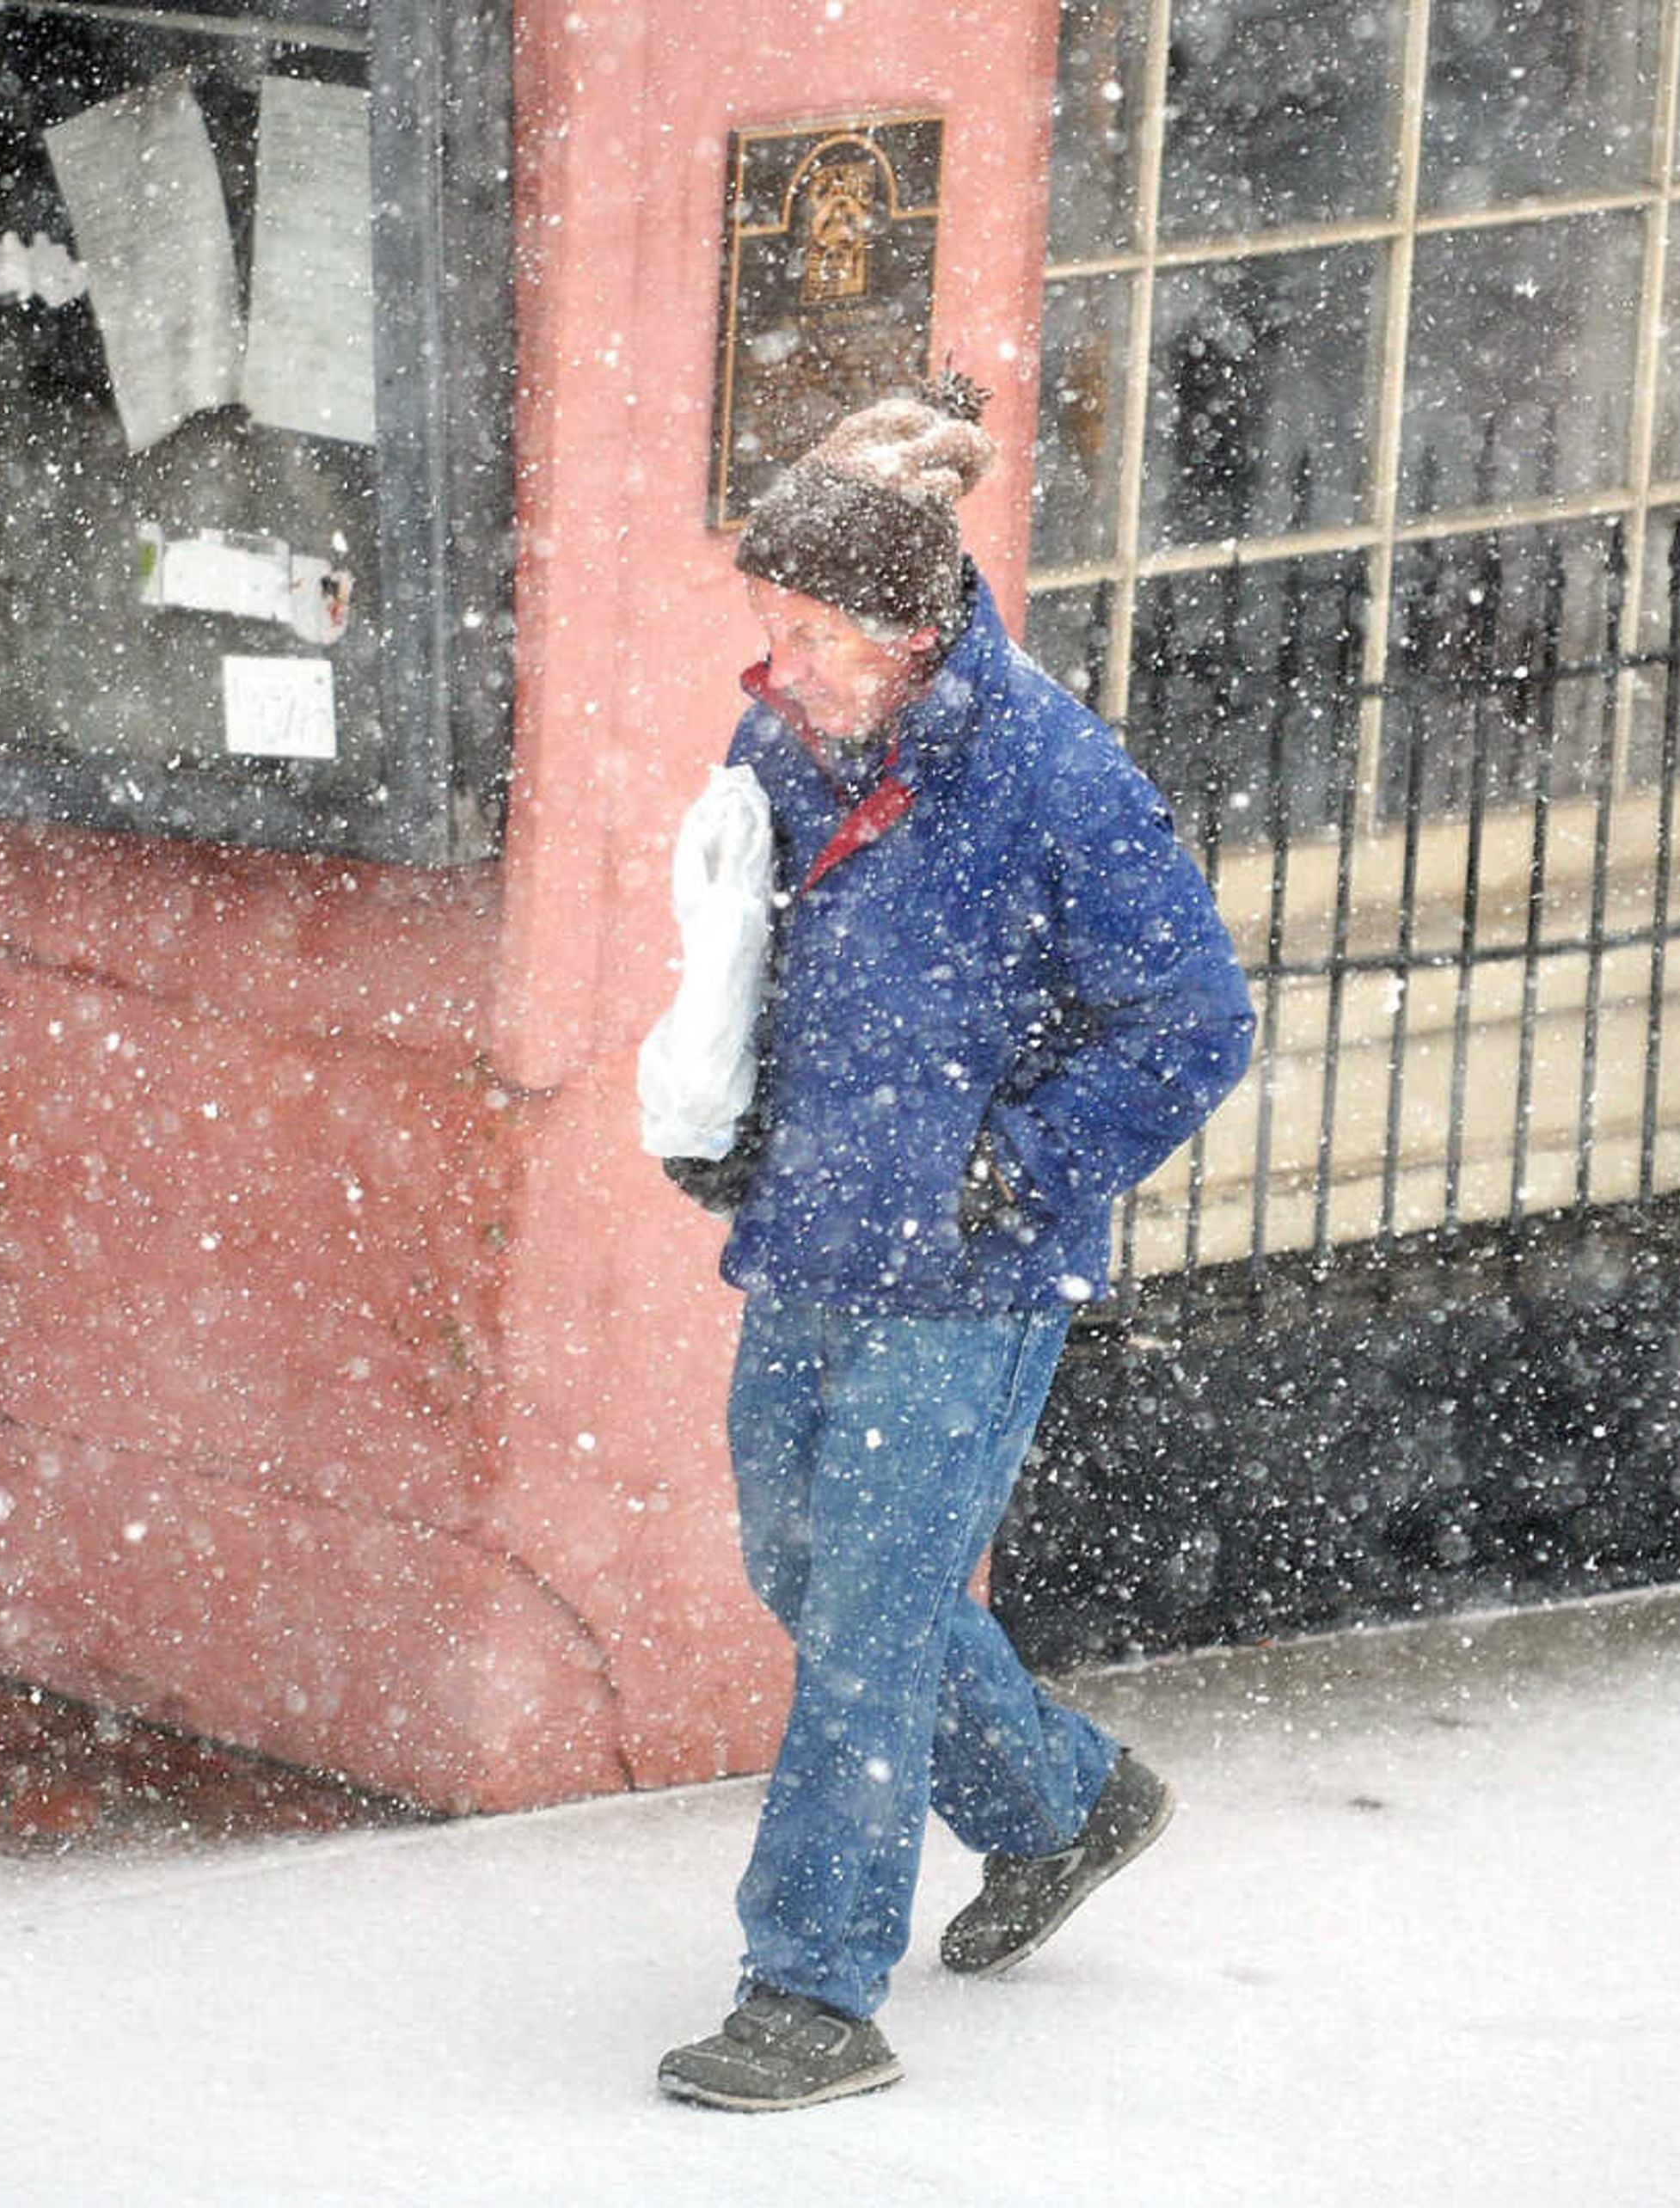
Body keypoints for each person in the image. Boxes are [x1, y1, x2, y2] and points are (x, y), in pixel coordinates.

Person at [653, 377, 1254, 2113]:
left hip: (976, 1274)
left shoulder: (1057, 777)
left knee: (869, 1618)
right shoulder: (790, 741)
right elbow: (756, 953)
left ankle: (812, 1989)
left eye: (816, 632)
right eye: (770, 626)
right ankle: (1062, 1804)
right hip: (818, 1229)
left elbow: (1196, 1020)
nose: (784, 665)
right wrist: (737, 1119)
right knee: (801, 1563)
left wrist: (1025, 1167)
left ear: (916, 631)